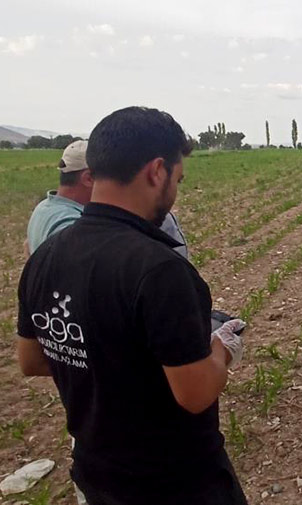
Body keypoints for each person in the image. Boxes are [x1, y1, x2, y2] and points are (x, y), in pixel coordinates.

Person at [16, 106, 247, 505]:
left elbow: (31, 360)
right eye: (177, 178)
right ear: (157, 171)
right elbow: (196, 394)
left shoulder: (46, 255)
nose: (175, 191)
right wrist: (222, 346)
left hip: (95, 477)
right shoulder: (160, 269)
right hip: (176, 484)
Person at [26, 139, 189, 258]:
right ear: (88, 178)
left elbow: (28, 248)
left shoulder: (44, 208)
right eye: (107, 176)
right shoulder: (69, 223)